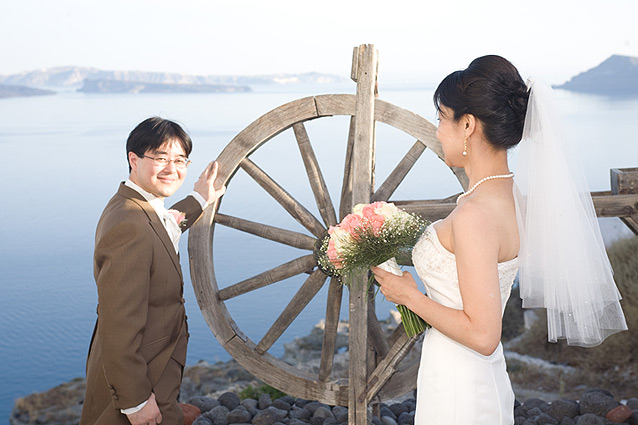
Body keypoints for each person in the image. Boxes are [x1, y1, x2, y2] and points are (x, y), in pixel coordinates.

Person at [372, 56, 627, 424]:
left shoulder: (475, 215)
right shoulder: (513, 198)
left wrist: (408, 296)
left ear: (468, 125)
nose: (438, 129)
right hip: (474, 377)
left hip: (460, 387)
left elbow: (482, 333)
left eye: (442, 117)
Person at [80, 117, 225, 425]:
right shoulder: (129, 226)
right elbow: (118, 321)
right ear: (133, 159)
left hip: (152, 366)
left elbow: (164, 225)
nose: (172, 169)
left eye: (179, 160)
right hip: (144, 375)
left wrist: (200, 197)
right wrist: (135, 403)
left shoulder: (133, 205)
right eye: (160, 158)